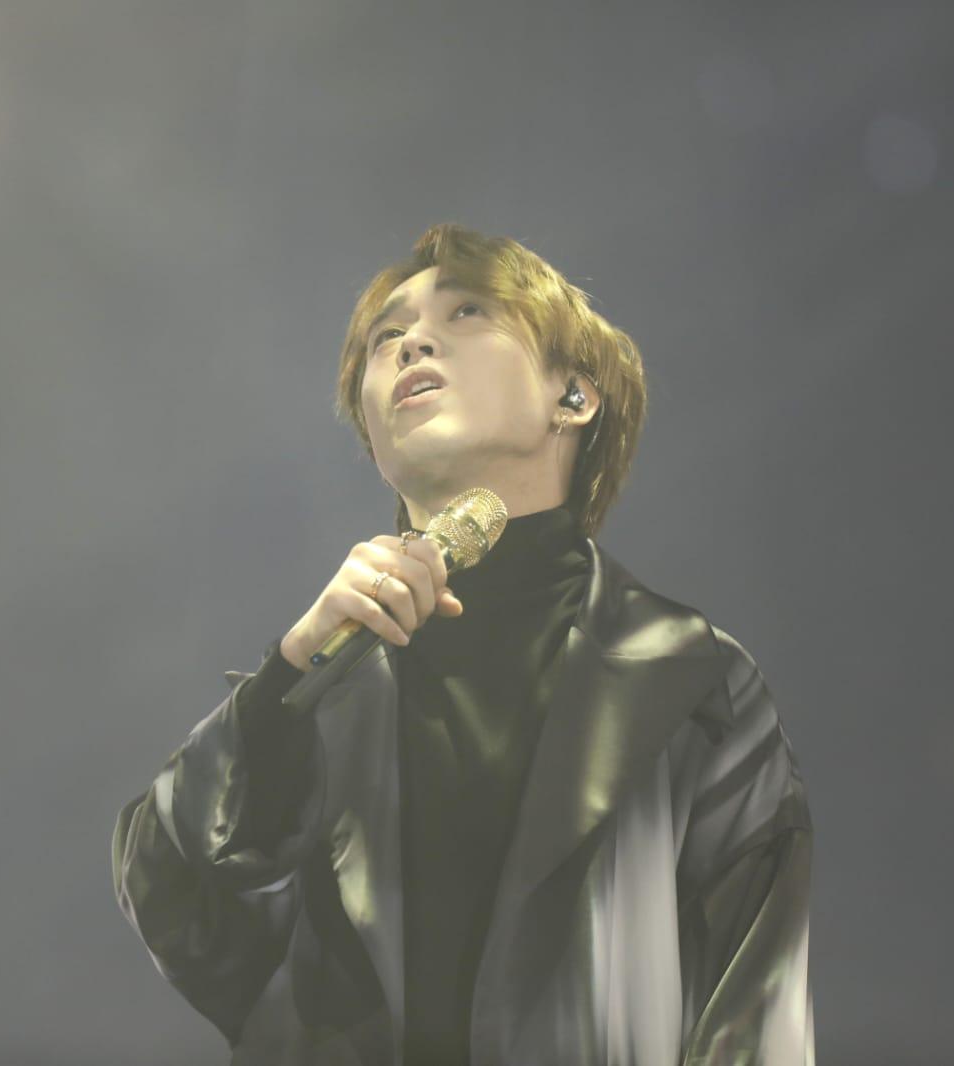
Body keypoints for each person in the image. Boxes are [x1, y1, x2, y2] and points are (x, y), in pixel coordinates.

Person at [110, 223, 814, 1065]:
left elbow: (753, 1018)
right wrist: (283, 686)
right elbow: (175, 905)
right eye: (385, 338)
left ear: (573, 397)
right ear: (374, 439)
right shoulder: (313, 698)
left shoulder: (693, 679)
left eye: (469, 311)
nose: (411, 342)